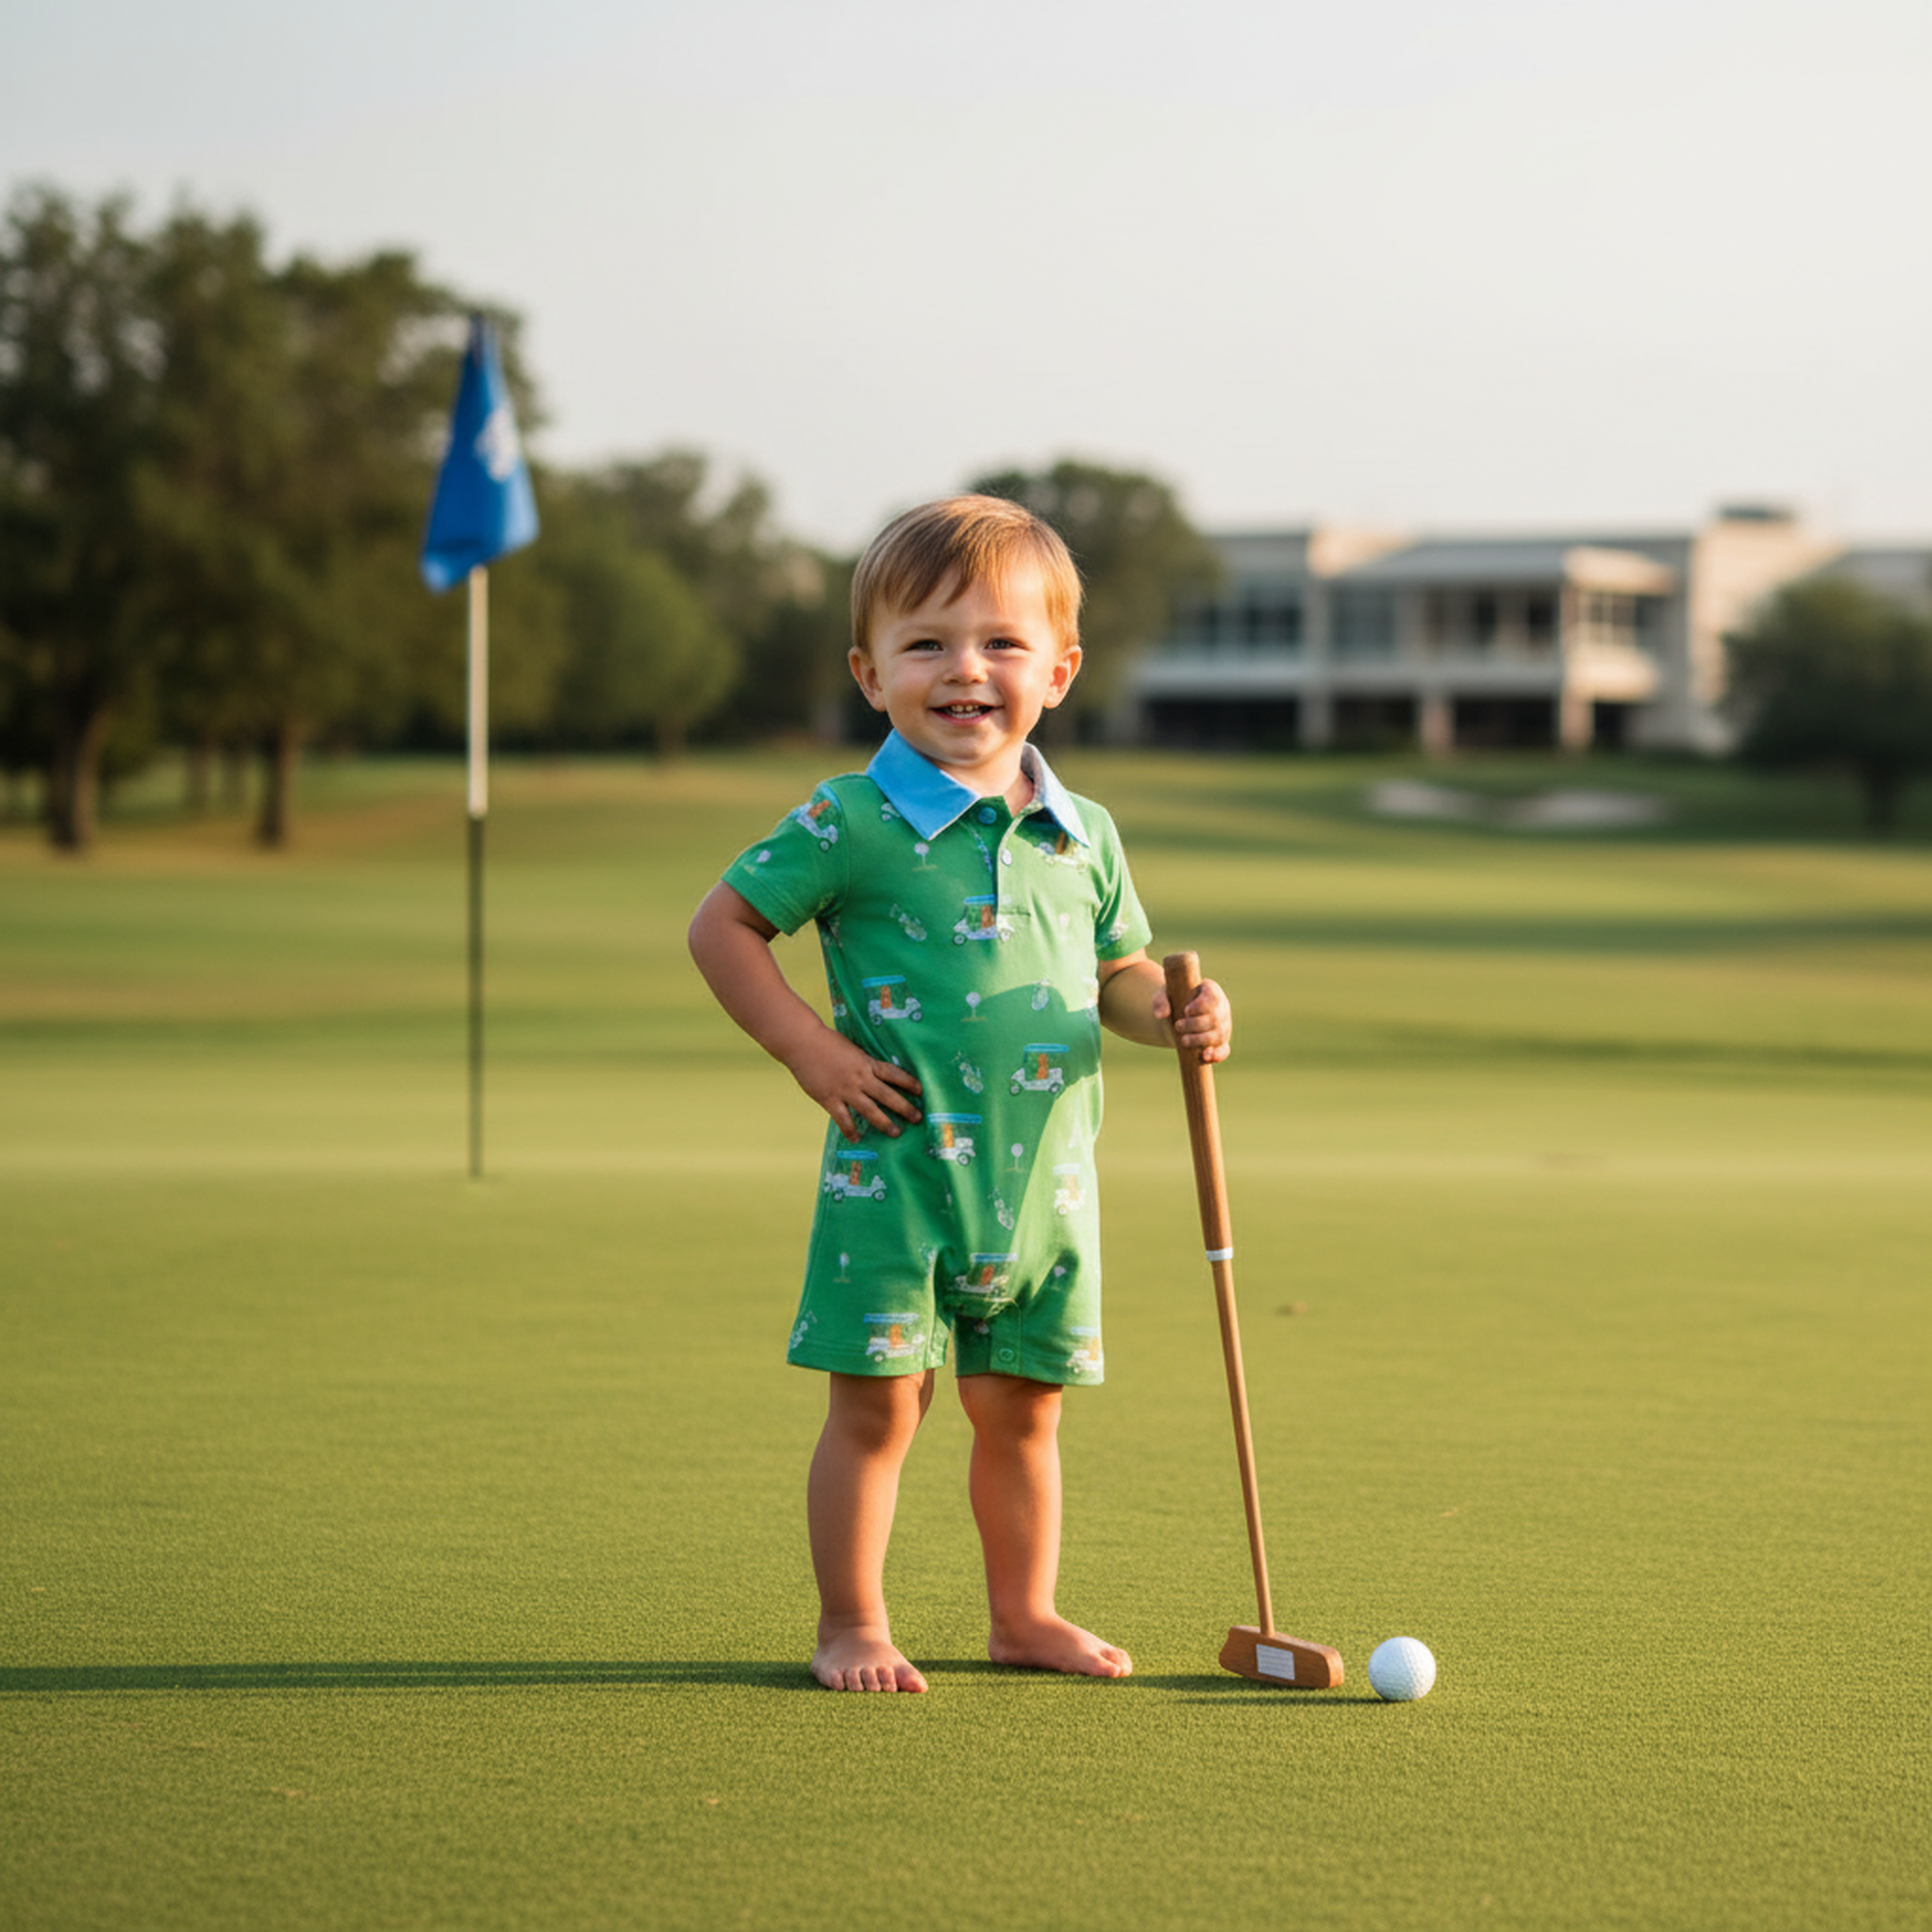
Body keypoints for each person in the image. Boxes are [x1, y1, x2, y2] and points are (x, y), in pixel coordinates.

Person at [688, 495, 1231, 1693]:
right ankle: (851, 1622)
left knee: (1022, 1414)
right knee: (881, 1414)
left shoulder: (1081, 830)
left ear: (1059, 668)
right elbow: (722, 923)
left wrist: (1174, 1014)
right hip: (897, 1174)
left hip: (1043, 1191)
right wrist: (806, 1051)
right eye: (924, 643)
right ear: (868, 672)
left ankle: (1021, 1613)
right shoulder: (850, 818)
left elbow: (1117, 977)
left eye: (997, 642)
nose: (963, 670)